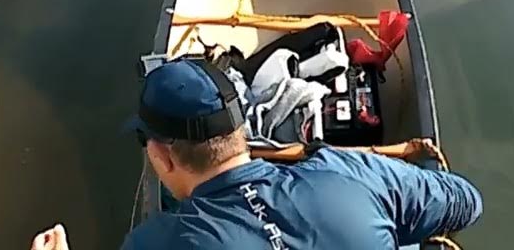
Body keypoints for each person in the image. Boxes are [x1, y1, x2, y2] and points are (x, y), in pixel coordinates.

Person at [29, 59, 482, 250]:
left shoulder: (155, 244)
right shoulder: (347, 172)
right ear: (242, 129)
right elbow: (466, 201)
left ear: (162, 156)